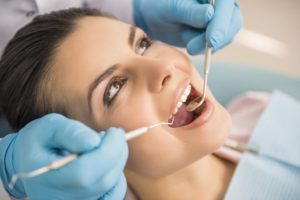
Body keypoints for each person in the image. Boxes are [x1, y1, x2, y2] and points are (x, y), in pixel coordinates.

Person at [0, 1, 242, 199]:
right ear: (74, 154)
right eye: (114, 89)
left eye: (143, 44)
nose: (162, 68)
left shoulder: (255, 106)